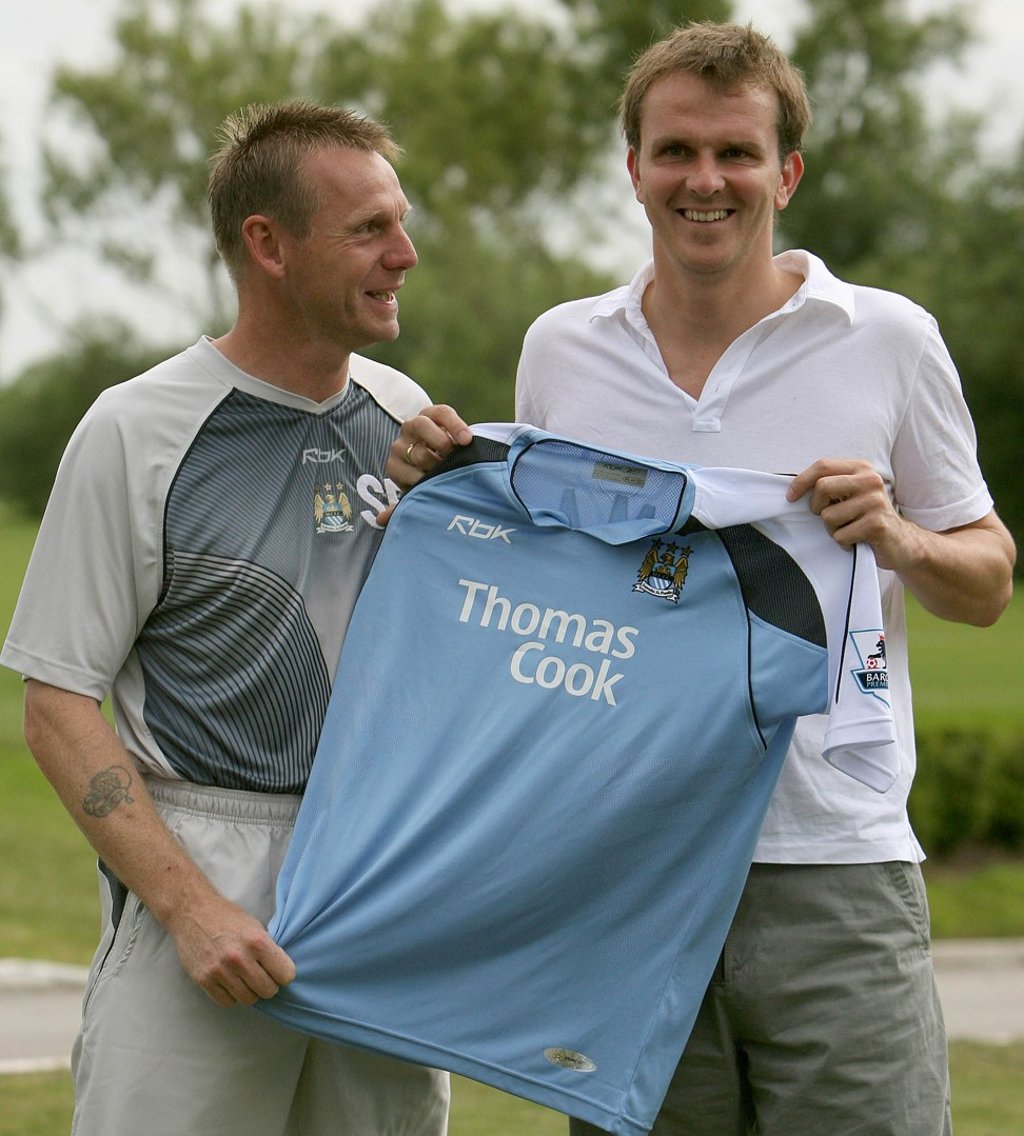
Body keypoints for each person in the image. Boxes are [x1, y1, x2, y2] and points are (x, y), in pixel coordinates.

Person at [390, 22, 1016, 1136]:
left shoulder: (889, 339)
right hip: (626, 865)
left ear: (786, 172)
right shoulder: (562, 349)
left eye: (734, 152)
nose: (704, 180)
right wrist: (442, 484)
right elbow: (537, 584)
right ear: (632, 168)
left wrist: (902, 540)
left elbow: (986, 579)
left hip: (832, 860)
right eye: (675, 151)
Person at [1, 100, 449, 1135]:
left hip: (374, 884)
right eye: (369, 229)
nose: (405, 253)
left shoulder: (404, 415)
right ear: (269, 244)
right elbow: (57, 702)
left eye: (402, 220)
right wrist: (191, 908)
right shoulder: (135, 429)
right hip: (200, 876)